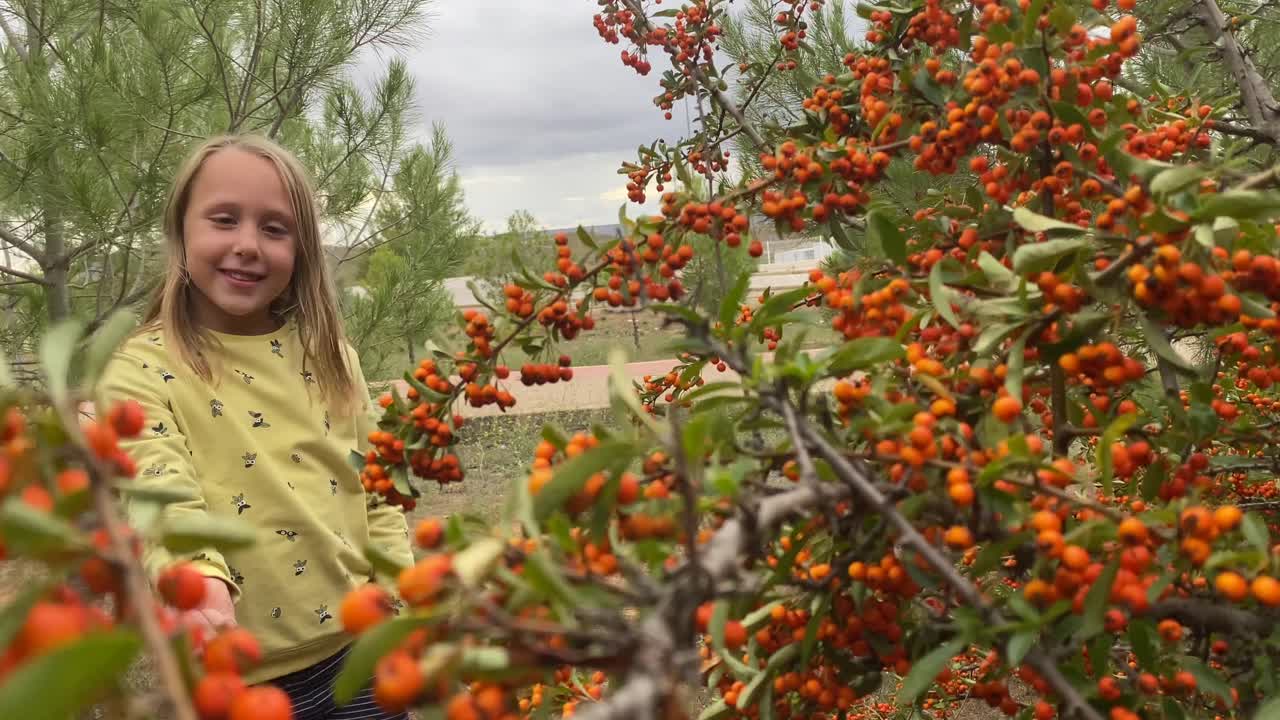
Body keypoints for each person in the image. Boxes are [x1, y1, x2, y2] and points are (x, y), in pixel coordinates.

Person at [99, 134, 415, 719]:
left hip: (364, 649)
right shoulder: (142, 369)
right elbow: (160, 493)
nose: (247, 245)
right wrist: (199, 584)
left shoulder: (331, 356)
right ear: (180, 233)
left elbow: (377, 488)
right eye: (224, 219)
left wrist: (400, 598)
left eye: (275, 229)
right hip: (237, 673)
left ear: (302, 250)